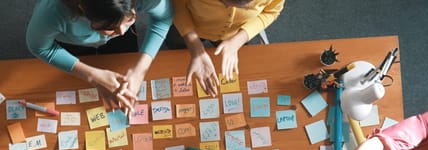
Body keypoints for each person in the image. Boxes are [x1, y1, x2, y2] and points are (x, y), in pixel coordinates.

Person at [26, 0, 173, 112]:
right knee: (71, 83)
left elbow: (164, 17)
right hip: (72, 42)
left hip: (112, 25)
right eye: (110, 27)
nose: (122, 31)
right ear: (82, 9)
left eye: (130, 19)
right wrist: (92, 76)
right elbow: (39, 47)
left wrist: (140, 70)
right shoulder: (53, 11)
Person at [167, 0, 285, 96]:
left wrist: (237, 41)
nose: (227, 7)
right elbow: (176, 5)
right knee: (176, 54)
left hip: (235, 36)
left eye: (244, 7)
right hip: (189, 27)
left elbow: (271, 12)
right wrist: (194, 47)